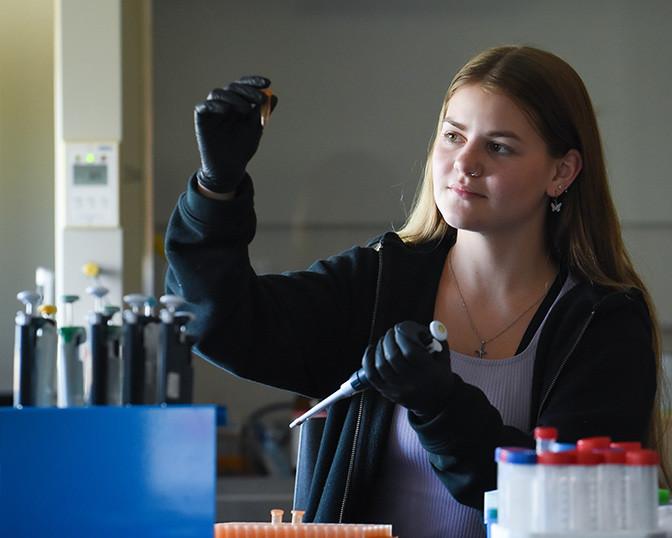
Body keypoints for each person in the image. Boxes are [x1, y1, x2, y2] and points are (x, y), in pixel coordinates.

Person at [165, 46, 668, 537]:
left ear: (562, 172)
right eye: (453, 136)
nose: (464, 163)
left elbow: (568, 508)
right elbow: (221, 323)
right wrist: (216, 188)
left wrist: (442, 405)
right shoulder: (379, 282)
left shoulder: (602, 321)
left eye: (499, 146)